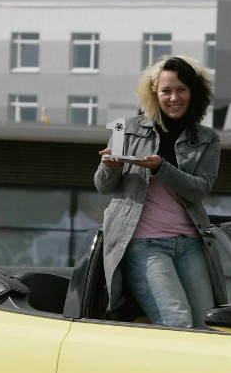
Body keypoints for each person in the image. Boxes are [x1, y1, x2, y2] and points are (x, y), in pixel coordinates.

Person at [93, 55, 221, 328]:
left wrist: (162, 168)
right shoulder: (127, 129)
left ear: (194, 92)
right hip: (144, 244)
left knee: (210, 325)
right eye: (166, 90)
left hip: (191, 243)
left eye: (181, 89)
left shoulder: (208, 138)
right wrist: (110, 166)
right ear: (153, 93)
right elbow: (103, 186)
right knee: (177, 322)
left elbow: (200, 190)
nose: (174, 97)